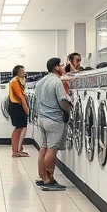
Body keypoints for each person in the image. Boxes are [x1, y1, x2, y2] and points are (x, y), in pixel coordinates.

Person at [34, 57, 72, 191]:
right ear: (56, 67)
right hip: (54, 119)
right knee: (52, 149)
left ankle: (43, 177)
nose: (63, 67)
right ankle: (49, 181)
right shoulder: (56, 81)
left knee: (43, 148)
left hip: (42, 119)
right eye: (61, 65)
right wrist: (70, 110)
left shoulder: (41, 82)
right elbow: (62, 101)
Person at [7, 64, 30, 158]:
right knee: (18, 128)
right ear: (17, 72)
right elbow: (20, 96)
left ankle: (18, 150)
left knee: (20, 127)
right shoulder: (15, 81)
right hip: (16, 106)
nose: (24, 72)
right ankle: (15, 151)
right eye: (22, 71)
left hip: (17, 106)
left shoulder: (19, 81)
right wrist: (26, 108)